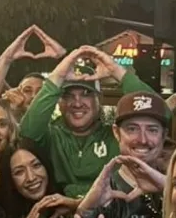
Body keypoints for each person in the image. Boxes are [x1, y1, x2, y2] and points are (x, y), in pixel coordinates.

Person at [58, 90, 175, 218]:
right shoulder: (103, 193)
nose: (143, 139)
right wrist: (86, 209)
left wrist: (171, 188)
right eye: (132, 129)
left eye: (152, 130)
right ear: (116, 133)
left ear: (164, 136)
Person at [18, 45, 155, 198]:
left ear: (99, 99)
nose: (77, 103)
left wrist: (117, 72)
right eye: (68, 95)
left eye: (86, 94)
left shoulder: (116, 136)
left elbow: (156, 112)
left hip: (113, 216)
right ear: (59, 100)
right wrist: (57, 75)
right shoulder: (50, 136)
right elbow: (27, 132)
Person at [0, 26, 66, 117]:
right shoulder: (3, 125)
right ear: (16, 93)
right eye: (27, 90)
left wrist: (63, 57)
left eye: (40, 92)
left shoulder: (56, 128)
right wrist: (6, 59)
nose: (33, 96)